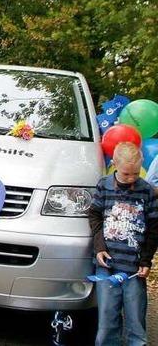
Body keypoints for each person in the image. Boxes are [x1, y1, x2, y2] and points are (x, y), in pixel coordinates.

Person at [88, 142, 158, 346]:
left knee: (136, 321)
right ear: (115, 164)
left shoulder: (147, 191)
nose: (132, 178)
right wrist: (99, 247)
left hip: (135, 268)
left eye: (136, 173)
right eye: (127, 174)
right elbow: (94, 214)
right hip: (107, 266)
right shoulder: (104, 185)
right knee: (107, 322)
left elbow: (154, 227)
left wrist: (146, 260)